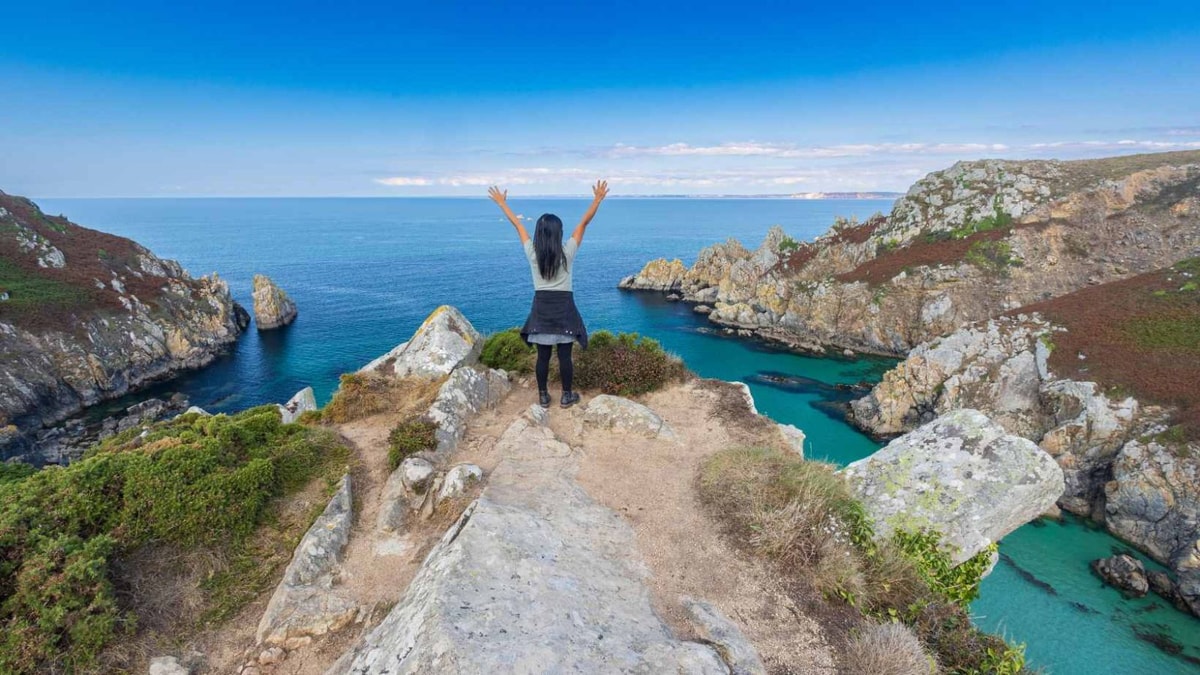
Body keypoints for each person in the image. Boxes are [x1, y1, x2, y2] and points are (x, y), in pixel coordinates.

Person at [488, 180, 609, 408]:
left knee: (542, 357)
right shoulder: (567, 254)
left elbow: (517, 225)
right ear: (559, 234)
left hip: (541, 311)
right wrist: (597, 199)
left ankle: (543, 396)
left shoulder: (533, 254)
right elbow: (583, 223)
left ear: (539, 235)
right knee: (565, 357)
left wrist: (502, 203)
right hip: (564, 310)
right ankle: (566, 395)